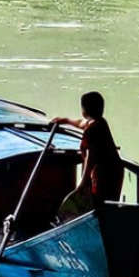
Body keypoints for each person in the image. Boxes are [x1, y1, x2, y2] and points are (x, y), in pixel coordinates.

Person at [52, 90, 125, 221]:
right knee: (109, 204)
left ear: (84, 110)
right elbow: (82, 123)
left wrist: (83, 182)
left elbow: (90, 158)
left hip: (103, 175)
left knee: (99, 206)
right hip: (116, 171)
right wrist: (66, 120)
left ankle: (100, 230)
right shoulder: (101, 122)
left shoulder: (91, 131)